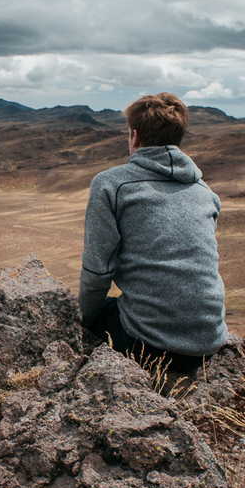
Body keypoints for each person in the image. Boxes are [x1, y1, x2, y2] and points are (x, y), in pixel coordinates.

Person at [78, 92, 227, 372]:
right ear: (178, 138)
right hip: (207, 345)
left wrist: (82, 321)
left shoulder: (111, 185)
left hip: (147, 344)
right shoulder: (206, 193)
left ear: (134, 136)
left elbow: (98, 271)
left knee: (94, 313)